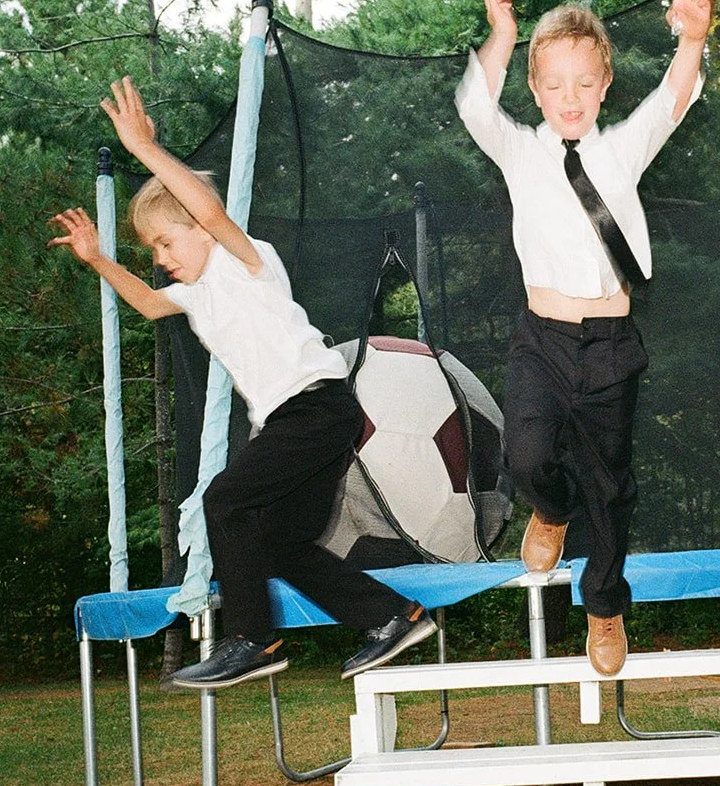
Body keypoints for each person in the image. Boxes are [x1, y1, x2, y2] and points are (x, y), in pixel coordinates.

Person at [50, 78, 436, 688]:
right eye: (152, 247)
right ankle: (392, 617)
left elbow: (206, 211)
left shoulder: (245, 259)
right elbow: (150, 304)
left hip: (316, 407)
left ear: (202, 230)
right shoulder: (193, 294)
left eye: (165, 241)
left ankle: (252, 639)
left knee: (224, 500)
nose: (160, 256)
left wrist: (145, 150)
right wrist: (99, 259)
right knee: (275, 544)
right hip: (301, 424)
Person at [458, 0, 713, 675]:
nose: (569, 98)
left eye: (584, 84)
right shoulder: (520, 152)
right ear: (536, 91)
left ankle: (604, 605)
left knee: (610, 485)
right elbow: (475, 105)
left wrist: (691, 37)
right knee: (528, 454)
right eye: (555, 85)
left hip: (608, 347)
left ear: (603, 87)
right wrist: (504, 38)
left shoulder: (620, 151)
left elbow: (671, 102)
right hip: (541, 338)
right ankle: (549, 510)